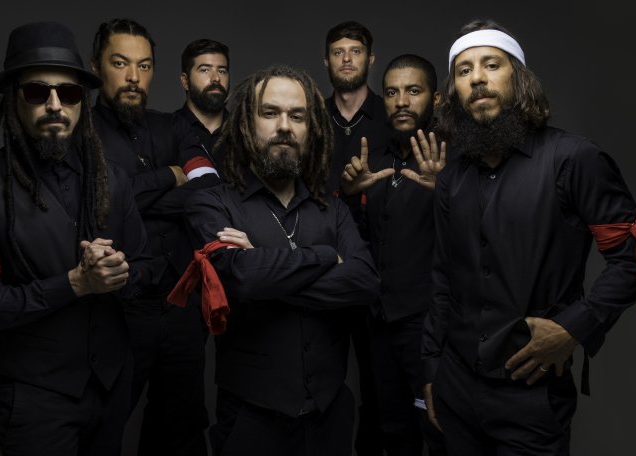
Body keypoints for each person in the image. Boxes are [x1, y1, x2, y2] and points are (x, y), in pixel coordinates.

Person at [422, 19, 636, 455]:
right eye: (463, 70)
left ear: (518, 78)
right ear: (454, 92)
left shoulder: (573, 159)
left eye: (491, 65)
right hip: (456, 386)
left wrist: (574, 328)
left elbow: (633, 257)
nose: (477, 78)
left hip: (531, 394)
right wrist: (432, 369)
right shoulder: (451, 180)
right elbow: (443, 277)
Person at [0, 21, 151, 456]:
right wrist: (74, 284)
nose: (55, 105)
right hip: (35, 399)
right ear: (14, 98)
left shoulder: (113, 179)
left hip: (111, 389)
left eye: (68, 93)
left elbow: (148, 270)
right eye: (37, 92)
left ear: (81, 101)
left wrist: (119, 272)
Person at [183, 64, 380, 456]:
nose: (285, 127)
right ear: (246, 123)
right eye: (270, 113)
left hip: (329, 416)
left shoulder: (333, 210)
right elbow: (240, 280)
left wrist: (265, 271)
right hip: (250, 420)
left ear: (311, 129)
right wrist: (327, 256)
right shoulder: (212, 203)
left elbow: (365, 282)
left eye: (297, 116)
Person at [90, 18, 219, 456]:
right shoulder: (81, 135)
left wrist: (132, 195)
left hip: (182, 307)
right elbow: (101, 205)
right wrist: (169, 175)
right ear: (96, 67)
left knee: (181, 427)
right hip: (118, 311)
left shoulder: (175, 128)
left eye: (144, 66)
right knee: (102, 428)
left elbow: (210, 191)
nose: (133, 77)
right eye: (120, 63)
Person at [341, 54, 446, 455]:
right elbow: (359, 239)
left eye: (413, 90)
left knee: (438, 430)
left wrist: (449, 192)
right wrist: (351, 197)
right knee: (393, 430)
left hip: (433, 327)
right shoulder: (375, 161)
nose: (401, 101)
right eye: (391, 92)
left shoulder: (452, 161)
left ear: (436, 98)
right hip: (380, 322)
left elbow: (484, 241)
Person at [322, 21, 391, 455]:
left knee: (379, 386)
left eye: (356, 51)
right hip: (322, 267)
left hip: (380, 271)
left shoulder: (392, 115)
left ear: (370, 58)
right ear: (326, 61)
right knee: (319, 382)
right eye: (338, 52)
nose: (347, 59)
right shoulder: (310, 117)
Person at [175, 38, 230, 173]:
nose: (216, 78)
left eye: (222, 71)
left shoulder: (245, 133)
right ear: (185, 81)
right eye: (205, 70)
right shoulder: (167, 132)